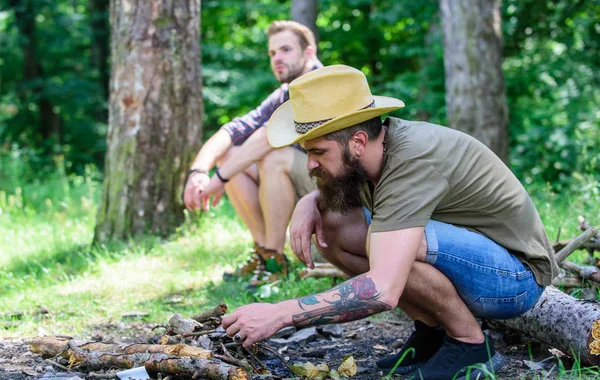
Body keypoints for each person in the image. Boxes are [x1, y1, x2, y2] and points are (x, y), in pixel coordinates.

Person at [221, 65, 559, 379]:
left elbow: (382, 289)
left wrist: (279, 313)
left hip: (515, 278)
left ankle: (471, 345)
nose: (310, 165)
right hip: (478, 259)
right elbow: (342, 197)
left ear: (357, 142)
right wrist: (311, 201)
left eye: (318, 152)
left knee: (392, 243)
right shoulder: (374, 152)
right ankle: (434, 331)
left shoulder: (412, 159)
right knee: (341, 223)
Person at [183, 20, 321, 287]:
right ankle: (265, 255)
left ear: (308, 53)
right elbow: (233, 130)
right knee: (230, 154)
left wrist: (219, 178)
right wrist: (198, 171)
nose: (277, 58)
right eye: (272, 53)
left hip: (340, 190)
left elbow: (267, 138)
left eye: (285, 50)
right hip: (307, 184)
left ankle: (275, 261)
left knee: (271, 156)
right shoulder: (283, 93)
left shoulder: (319, 85)